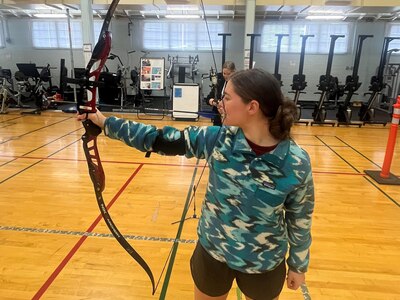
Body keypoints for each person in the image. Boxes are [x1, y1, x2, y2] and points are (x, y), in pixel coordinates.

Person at [77, 68, 315, 300]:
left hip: (263, 262)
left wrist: (298, 264)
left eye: (227, 97)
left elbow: (300, 217)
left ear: (252, 107)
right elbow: (159, 139)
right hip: (213, 251)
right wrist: (105, 122)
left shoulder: (295, 161)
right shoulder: (219, 140)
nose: (220, 102)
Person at [205, 61, 236, 126]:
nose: (226, 76)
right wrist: (214, 102)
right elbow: (208, 99)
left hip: (231, 118)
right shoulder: (220, 81)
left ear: (234, 72)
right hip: (218, 118)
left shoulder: (237, 84)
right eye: (224, 73)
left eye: (229, 74)